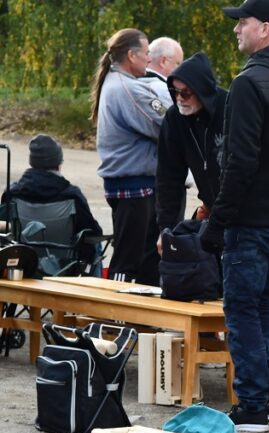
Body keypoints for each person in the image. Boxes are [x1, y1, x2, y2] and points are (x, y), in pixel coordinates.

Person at [201, 0, 269, 432]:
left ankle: (253, 403)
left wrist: (219, 220)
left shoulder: (250, 83)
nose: (237, 30)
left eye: (243, 23)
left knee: (242, 308)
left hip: (254, 218)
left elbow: (240, 161)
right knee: (259, 302)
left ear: (264, 28)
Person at [90, 28, 166, 285]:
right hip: (133, 187)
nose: (149, 58)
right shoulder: (128, 89)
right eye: (146, 53)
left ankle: (138, 318)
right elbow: (165, 125)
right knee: (128, 259)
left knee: (141, 258)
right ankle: (115, 318)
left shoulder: (117, 83)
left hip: (129, 185)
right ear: (132, 55)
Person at [0, 135, 102, 269]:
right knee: (96, 242)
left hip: (23, 262)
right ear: (58, 163)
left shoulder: (13, 193)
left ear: (32, 162)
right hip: (65, 266)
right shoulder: (72, 196)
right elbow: (93, 233)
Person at [155, 51, 226, 234]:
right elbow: (168, 178)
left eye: (185, 93)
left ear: (201, 90)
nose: (179, 98)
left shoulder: (230, 107)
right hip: (210, 209)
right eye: (175, 92)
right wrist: (166, 229)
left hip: (243, 211)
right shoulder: (174, 118)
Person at [140, 37, 183, 110]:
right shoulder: (165, 91)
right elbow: (168, 119)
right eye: (178, 64)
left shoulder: (130, 83)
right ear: (163, 61)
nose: (181, 70)